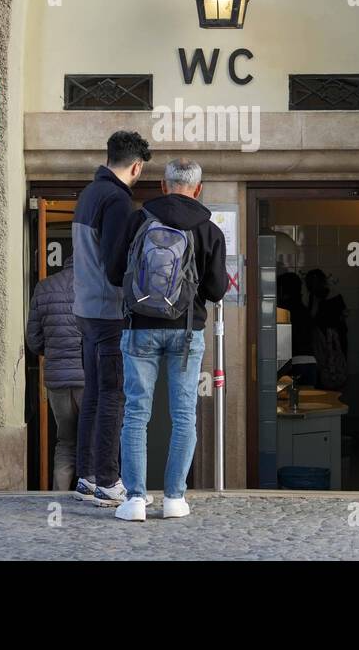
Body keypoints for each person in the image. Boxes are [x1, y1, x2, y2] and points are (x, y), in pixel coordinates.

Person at [106, 157, 227, 522]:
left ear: (162, 185)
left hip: (139, 328)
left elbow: (114, 273)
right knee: (183, 415)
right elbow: (217, 289)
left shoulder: (137, 220)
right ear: (198, 189)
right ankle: (175, 498)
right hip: (187, 331)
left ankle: (136, 500)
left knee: (136, 414)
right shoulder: (209, 229)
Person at [72, 130, 151, 506]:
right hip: (108, 312)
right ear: (136, 166)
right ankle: (108, 480)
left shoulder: (88, 194)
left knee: (93, 395)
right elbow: (114, 265)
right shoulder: (117, 200)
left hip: (85, 310)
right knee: (113, 396)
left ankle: (87, 477)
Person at [25, 254, 83, 493]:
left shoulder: (45, 286)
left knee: (66, 440)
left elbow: (34, 340)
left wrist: (52, 351)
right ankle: (92, 491)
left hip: (57, 379)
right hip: (88, 377)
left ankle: (59, 494)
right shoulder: (95, 286)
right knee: (94, 438)